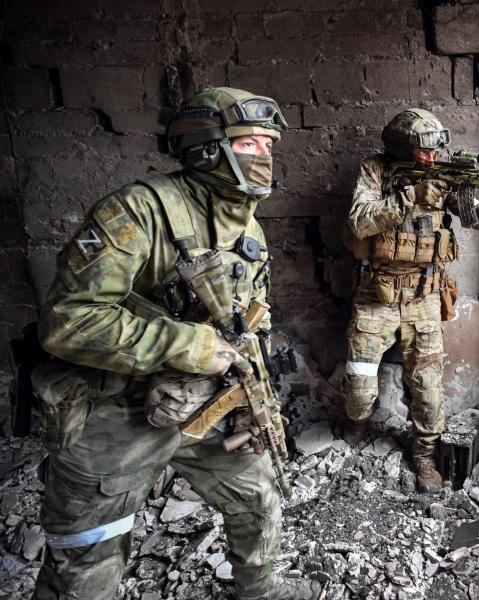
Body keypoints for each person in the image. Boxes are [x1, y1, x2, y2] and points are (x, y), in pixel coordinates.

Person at [32, 87, 320, 600]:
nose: (266, 156)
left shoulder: (246, 222)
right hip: (113, 410)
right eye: (251, 144)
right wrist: (188, 345)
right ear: (208, 148)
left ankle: (260, 589)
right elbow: (67, 321)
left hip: (204, 401)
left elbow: (248, 312)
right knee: (87, 554)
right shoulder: (136, 213)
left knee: (258, 494)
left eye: (269, 145)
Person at [341, 108, 479, 493]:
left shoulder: (443, 176)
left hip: (424, 297)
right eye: (423, 153)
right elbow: (358, 222)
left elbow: (476, 219)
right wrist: (410, 196)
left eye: (434, 152)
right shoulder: (376, 171)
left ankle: (425, 455)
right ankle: (355, 424)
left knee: (429, 390)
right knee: (359, 390)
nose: (432, 159)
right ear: (401, 149)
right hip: (375, 294)